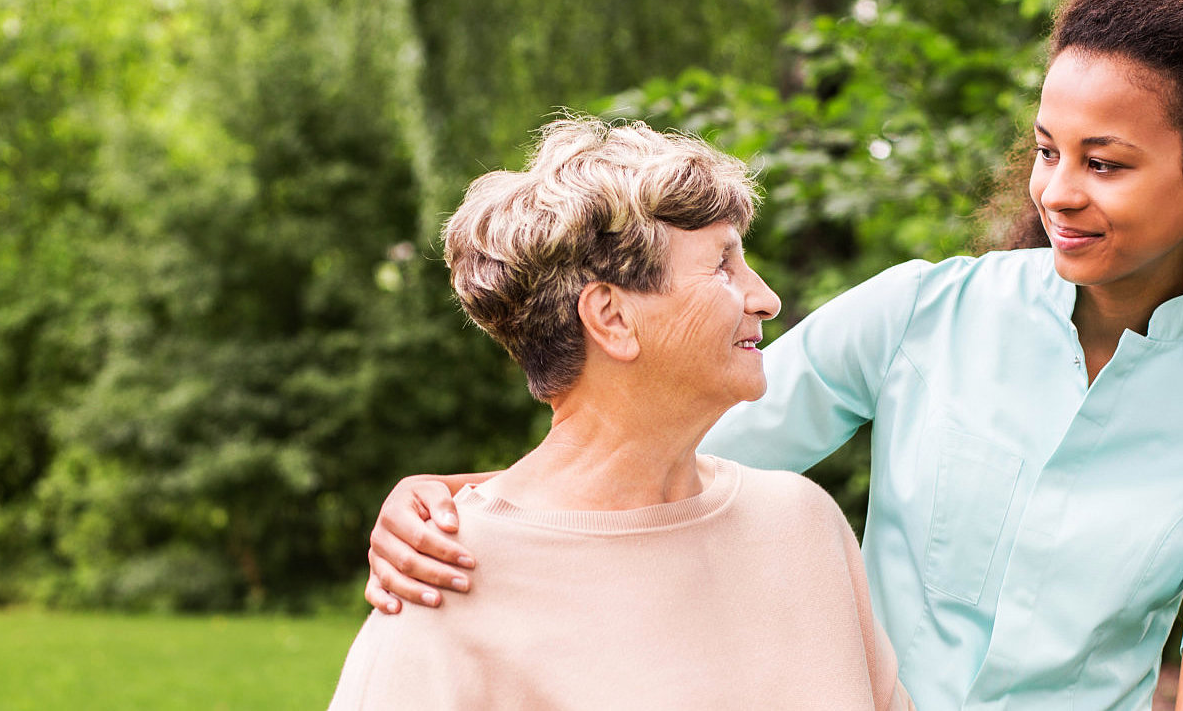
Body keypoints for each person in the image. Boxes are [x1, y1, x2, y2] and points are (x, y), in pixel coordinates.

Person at [360, 0, 1183, 709]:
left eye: (1106, 161)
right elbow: (647, 449)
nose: (1060, 191)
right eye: (1046, 149)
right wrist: (464, 504)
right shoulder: (924, 311)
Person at [328, 118, 913, 710]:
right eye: (722, 266)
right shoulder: (441, 581)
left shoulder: (802, 525)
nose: (766, 298)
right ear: (611, 317)